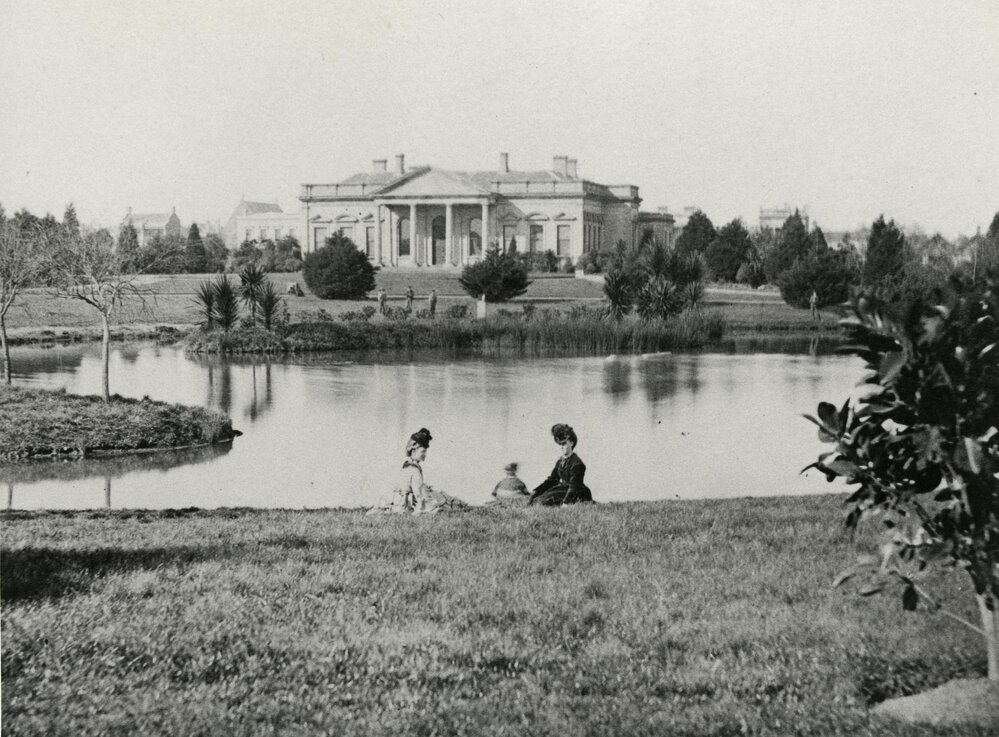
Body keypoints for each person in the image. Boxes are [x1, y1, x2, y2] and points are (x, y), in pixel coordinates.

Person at [367, 428, 467, 515]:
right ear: (414, 450)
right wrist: (418, 508)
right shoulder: (414, 470)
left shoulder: (407, 465)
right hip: (411, 498)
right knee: (444, 501)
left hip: (402, 496)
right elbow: (418, 493)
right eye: (423, 452)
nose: (425, 455)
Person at [528, 424, 593, 506]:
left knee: (542, 503)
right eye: (560, 445)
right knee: (535, 499)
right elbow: (552, 480)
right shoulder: (560, 461)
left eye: (564, 444)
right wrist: (537, 490)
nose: (561, 447)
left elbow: (574, 487)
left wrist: (566, 503)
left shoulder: (577, 463)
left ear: (571, 443)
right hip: (563, 489)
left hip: (577, 492)